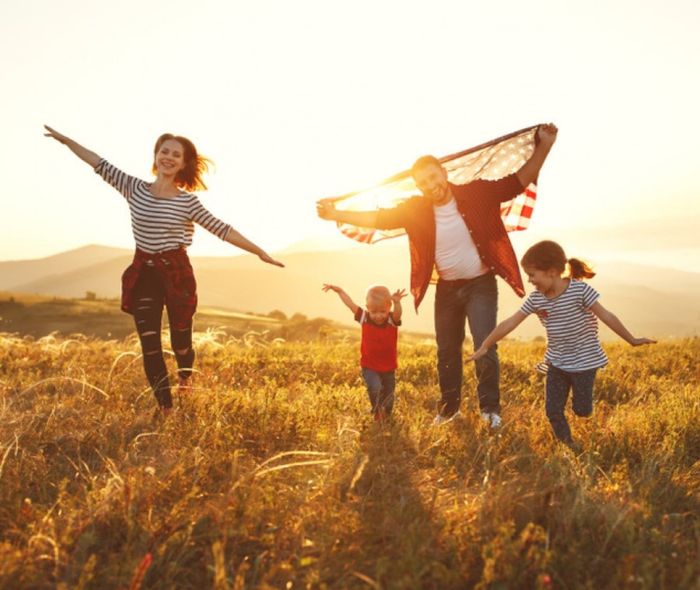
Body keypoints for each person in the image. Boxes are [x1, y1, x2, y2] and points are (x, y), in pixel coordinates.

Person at [317, 124, 559, 427]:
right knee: (447, 350)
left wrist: (545, 147)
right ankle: (448, 409)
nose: (430, 184)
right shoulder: (415, 210)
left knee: (484, 344)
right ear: (419, 186)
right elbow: (380, 219)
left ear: (443, 174)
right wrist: (336, 215)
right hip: (447, 289)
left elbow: (517, 182)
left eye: (433, 176)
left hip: (480, 284)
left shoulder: (476, 193)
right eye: (423, 182)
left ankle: (490, 410)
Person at [44, 125, 284, 417]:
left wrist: (258, 251)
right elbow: (98, 162)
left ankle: (185, 374)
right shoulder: (133, 187)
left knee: (181, 341)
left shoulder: (187, 202)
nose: (169, 157)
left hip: (177, 274)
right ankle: (166, 407)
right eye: (164, 151)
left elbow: (222, 229)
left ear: (183, 164)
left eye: (176, 154)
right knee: (150, 344)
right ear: (156, 156)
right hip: (144, 274)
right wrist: (68, 141)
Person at [469, 240, 656, 448]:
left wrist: (632, 340)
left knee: (582, 410)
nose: (530, 280)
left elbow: (606, 315)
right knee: (553, 410)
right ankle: (568, 445)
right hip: (556, 363)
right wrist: (486, 344)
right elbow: (510, 322)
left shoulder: (580, 291)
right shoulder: (536, 299)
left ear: (551, 272)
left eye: (532, 274)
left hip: (584, 363)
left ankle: (581, 407)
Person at [323, 283, 406, 421]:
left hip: (389, 367)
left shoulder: (392, 320)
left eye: (382, 312)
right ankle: (377, 411)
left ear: (388, 308)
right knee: (375, 387)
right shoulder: (365, 318)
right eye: (374, 312)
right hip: (369, 365)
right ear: (368, 309)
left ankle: (386, 415)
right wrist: (340, 291)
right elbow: (350, 305)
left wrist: (397, 303)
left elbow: (398, 314)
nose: (378, 316)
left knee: (389, 399)